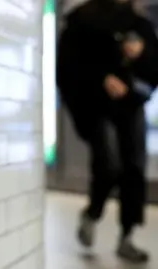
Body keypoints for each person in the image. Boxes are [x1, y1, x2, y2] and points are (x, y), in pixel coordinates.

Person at [57, 0, 158, 263]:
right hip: (96, 106)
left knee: (133, 168)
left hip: (131, 106)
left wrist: (140, 54)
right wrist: (101, 79)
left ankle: (127, 237)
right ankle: (93, 212)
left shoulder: (141, 24)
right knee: (109, 164)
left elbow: (154, 69)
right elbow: (67, 67)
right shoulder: (82, 19)